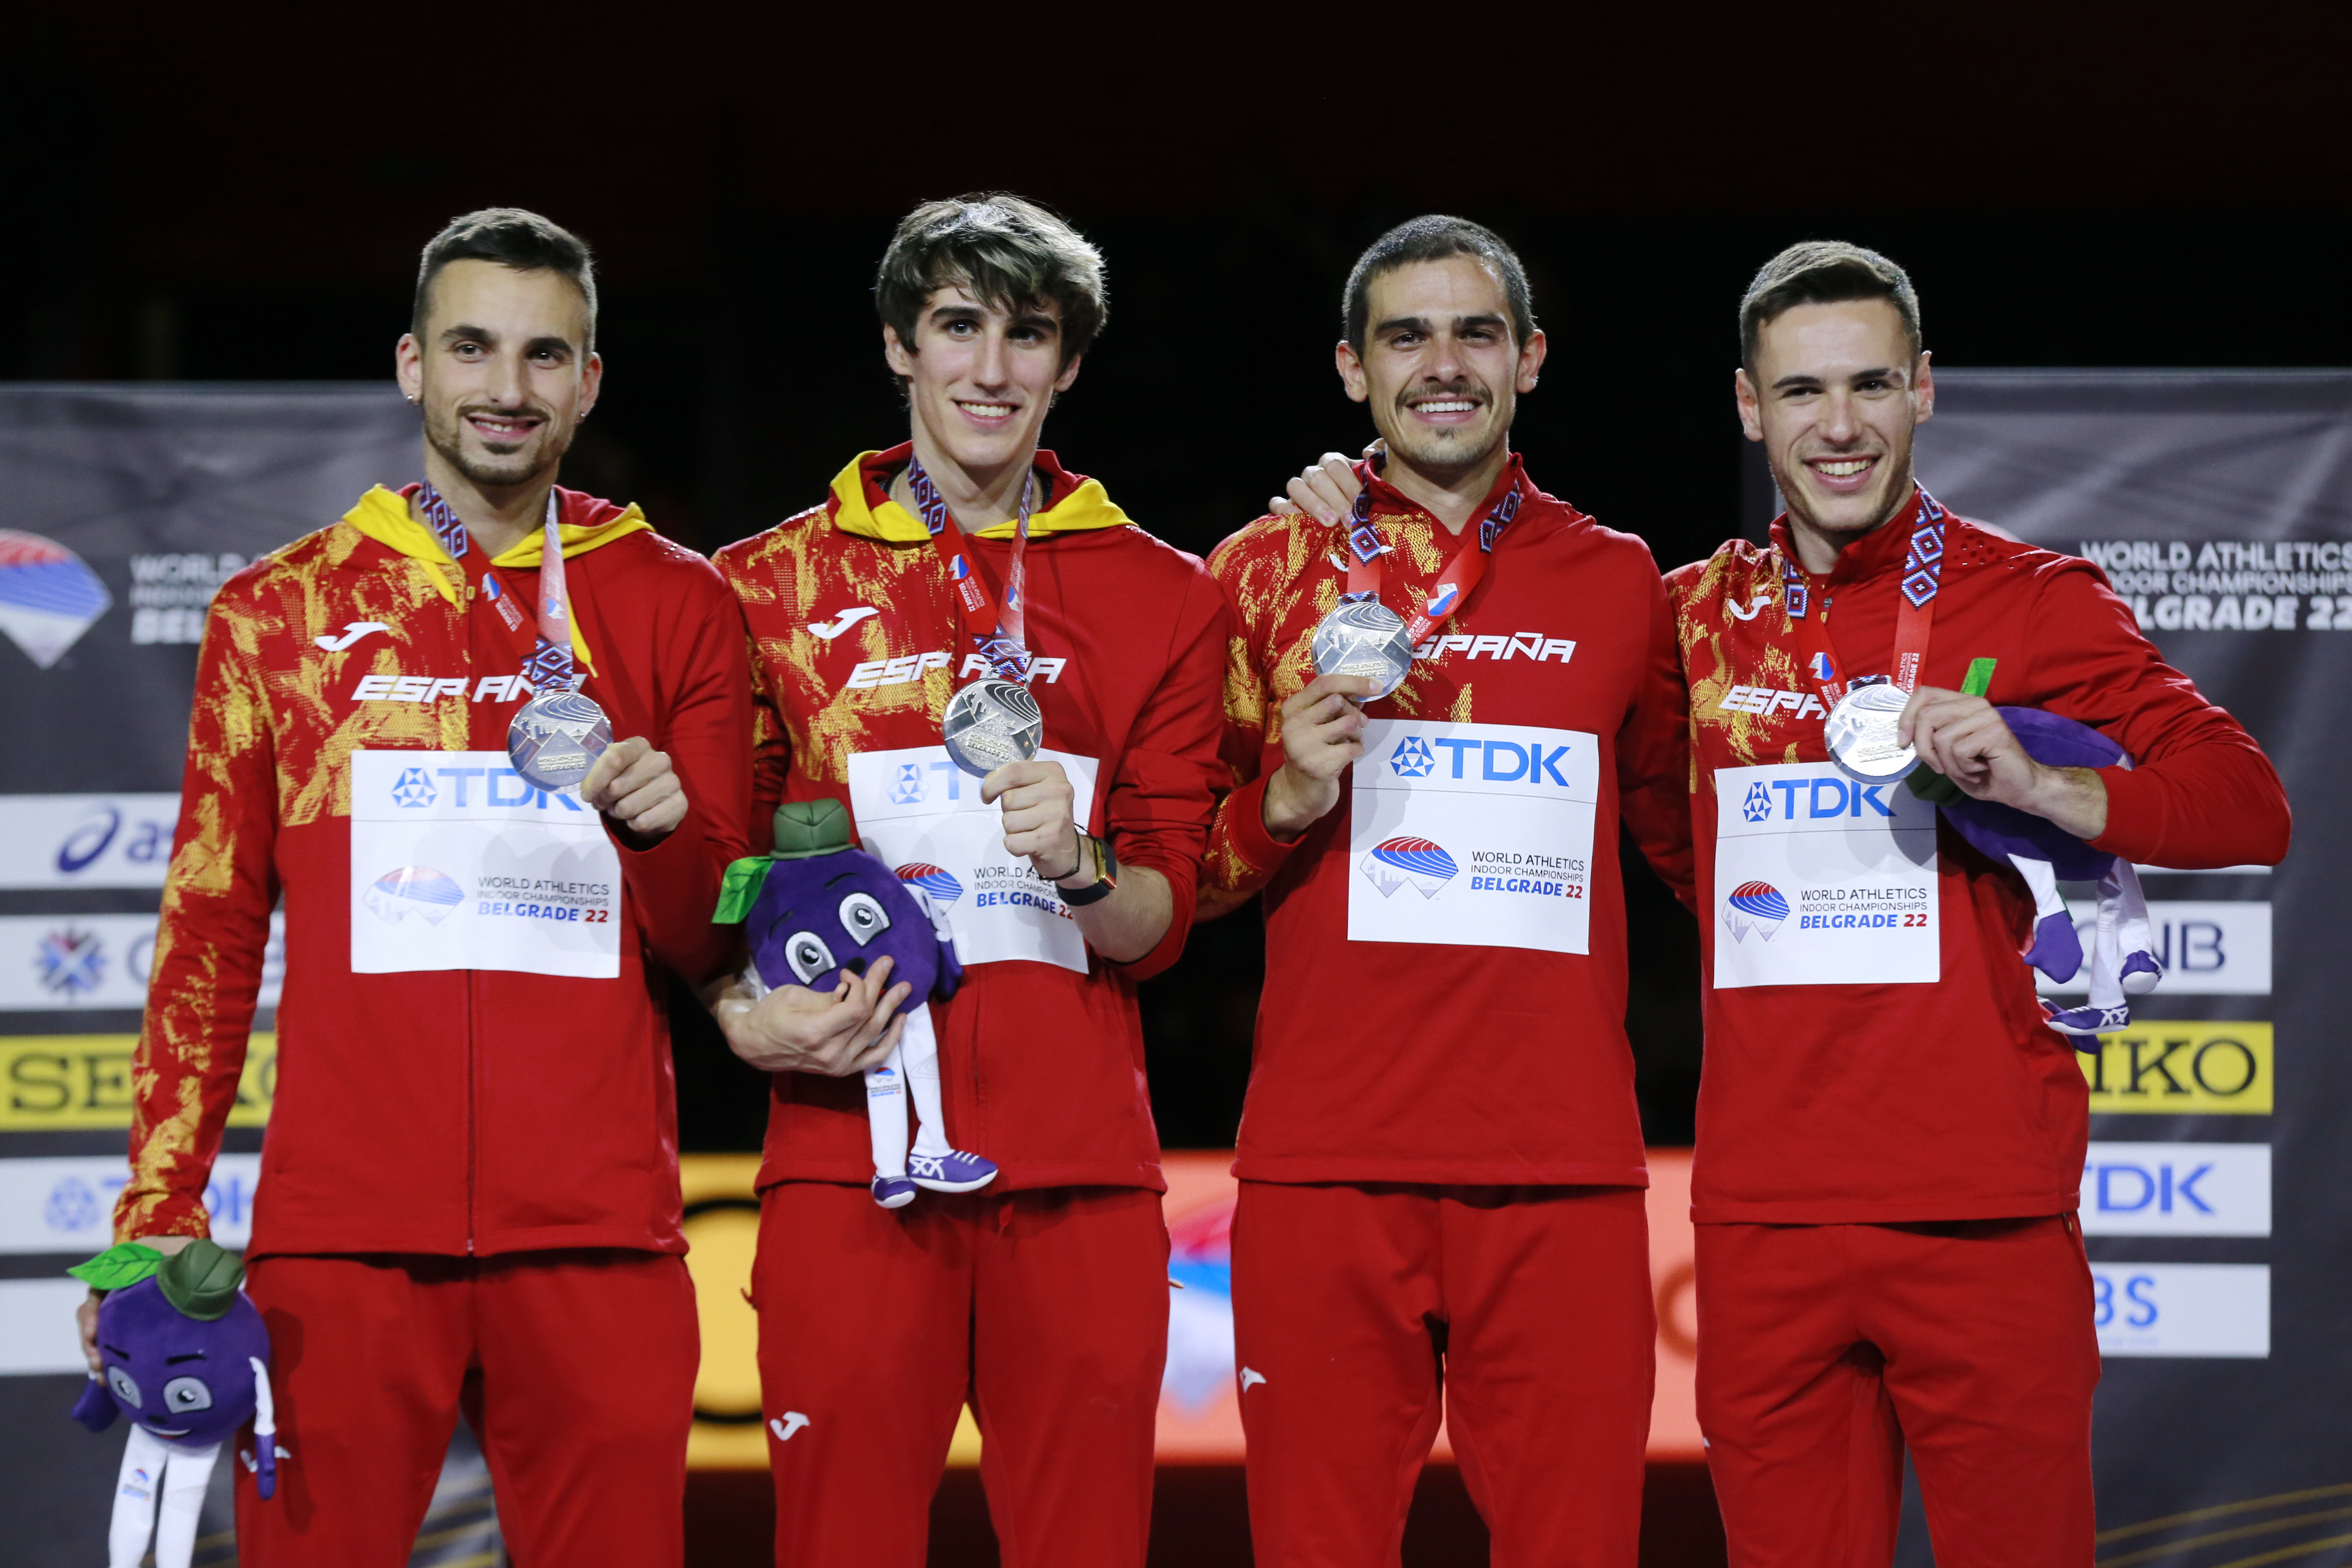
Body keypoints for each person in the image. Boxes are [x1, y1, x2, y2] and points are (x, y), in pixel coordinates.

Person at [83, 208, 751, 1567]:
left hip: (598, 1232)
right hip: (344, 1240)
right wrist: (158, 1214)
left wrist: (664, 833)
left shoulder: (678, 602)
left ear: (591, 381)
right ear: (411, 366)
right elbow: (209, 931)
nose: (508, 389)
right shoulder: (281, 612)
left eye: (545, 355)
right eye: (472, 348)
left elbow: (710, 933)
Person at [1666, 241, 2290, 1566]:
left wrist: (2047, 788)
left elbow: (2249, 805)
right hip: (1763, 1218)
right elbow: (1668, 836)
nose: (1839, 427)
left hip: (1984, 1211)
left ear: (1926, 391)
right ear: (1746, 404)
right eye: (1801, 392)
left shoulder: (2037, 599)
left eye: (1872, 384)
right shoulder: (1687, 623)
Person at [704, 192, 1229, 1568]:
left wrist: (1076, 860)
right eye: (957, 327)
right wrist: (740, 1011)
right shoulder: (762, 588)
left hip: (1079, 1177)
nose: (991, 370)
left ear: (1068, 363)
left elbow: (1160, 925)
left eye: (1028, 335)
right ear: (898, 345)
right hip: (846, 1162)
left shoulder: (1164, 594)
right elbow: (718, 882)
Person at [1209, 215, 1695, 1567]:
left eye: (1476, 332)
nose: (1444, 363)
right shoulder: (1258, 573)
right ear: (1353, 370)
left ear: (1530, 359)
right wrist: (1281, 803)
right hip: (1325, 1171)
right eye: (1406, 336)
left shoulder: (1622, 583)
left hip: (1565, 1176)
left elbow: (1685, 846)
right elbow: (1173, 874)